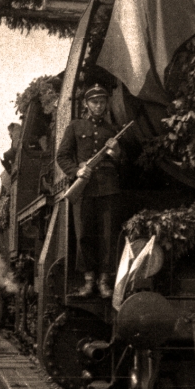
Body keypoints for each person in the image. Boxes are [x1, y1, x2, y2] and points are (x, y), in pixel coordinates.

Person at [56, 83, 123, 298]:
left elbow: (125, 164)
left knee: (107, 235)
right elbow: (62, 156)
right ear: (86, 104)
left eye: (102, 102)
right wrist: (76, 172)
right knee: (84, 235)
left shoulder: (113, 131)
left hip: (108, 187)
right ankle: (88, 281)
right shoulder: (75, 127)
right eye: (94, 102)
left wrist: (117, 154)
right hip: (84, 188)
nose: (98, 105)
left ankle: (104, 282)